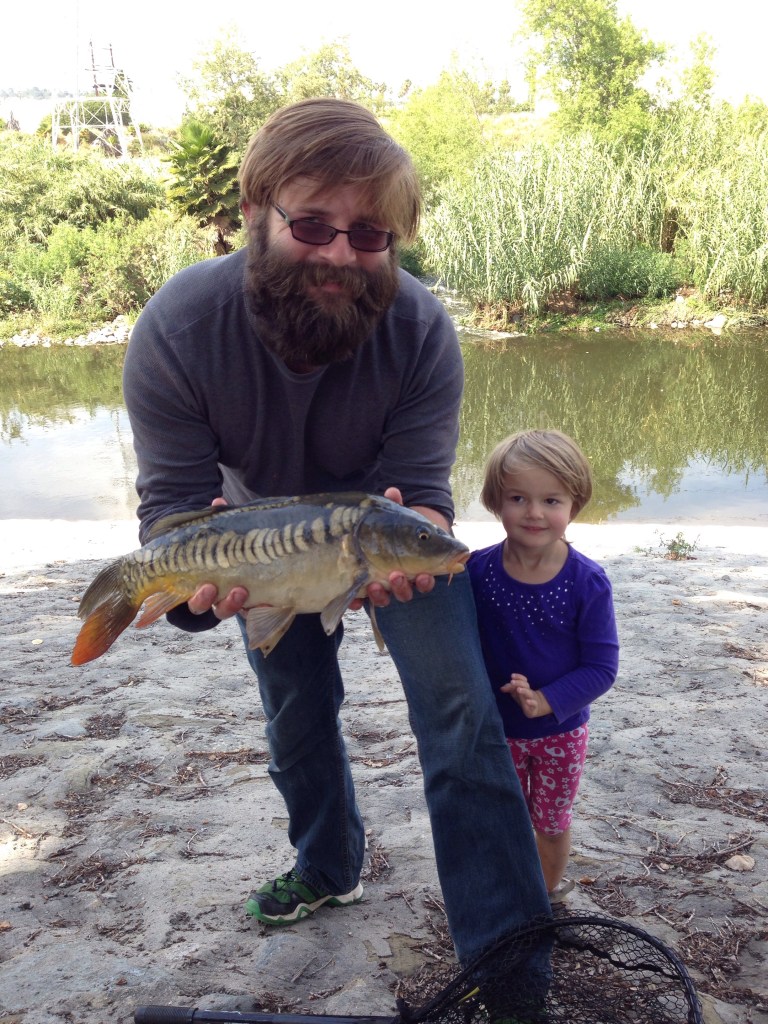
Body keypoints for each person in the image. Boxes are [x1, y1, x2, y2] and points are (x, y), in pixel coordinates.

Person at [122, 97, 552, 972]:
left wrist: (424, 534)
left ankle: (509, 957)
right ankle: (327, 867)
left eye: (369, 234)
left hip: (388, 536)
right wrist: (195, 592)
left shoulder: (420, 328)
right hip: (259, 548)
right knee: (296, 714)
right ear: (255, 213)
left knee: (464, 710)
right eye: (312, 224)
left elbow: (424, 494)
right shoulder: (178, 328)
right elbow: (170, 511)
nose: (339, 254)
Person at [467, 429, 619, 905]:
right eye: (518, 498)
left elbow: (602, 667)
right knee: (500, 821)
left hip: (561, 733)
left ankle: (545, 897)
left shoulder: (587, 582)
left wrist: (545, 700)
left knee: (551, 824)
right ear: (495, 501)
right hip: (495, 732)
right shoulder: (474, 572)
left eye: (551, 500)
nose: (534, 513)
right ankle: (505, 896)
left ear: (575, 504)